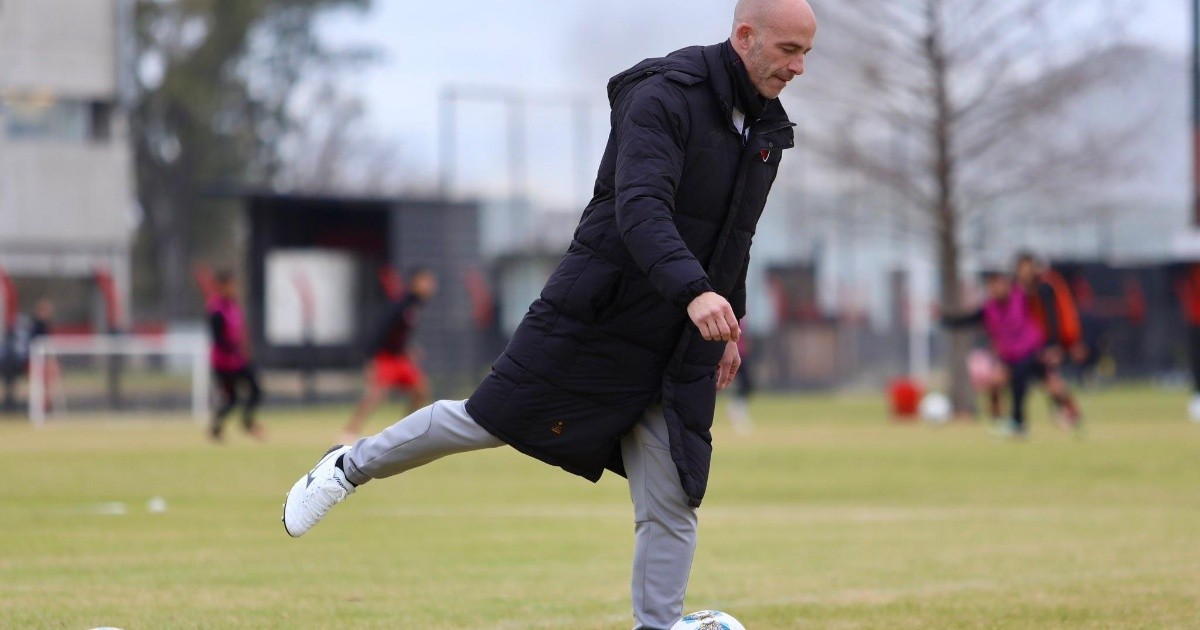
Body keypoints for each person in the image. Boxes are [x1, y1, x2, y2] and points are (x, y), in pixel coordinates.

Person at [282, 1, 816, 627]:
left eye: (806, 52)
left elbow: (734, 240)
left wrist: (730, 323)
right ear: (745, 36)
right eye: (788, 50)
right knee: (482, 421)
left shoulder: (765, 133)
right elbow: (640, 210)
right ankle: (348, 466)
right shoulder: (663, 98)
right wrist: (697, 292)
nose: (800, 67)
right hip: (598, 316)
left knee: (672, 495)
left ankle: (660, 625)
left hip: (678, 335)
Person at [943, 272, 1046, 438]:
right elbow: (967, 320)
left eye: (999, 284)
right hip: (1009, 356)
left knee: (1048, 386)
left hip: (1030, 352)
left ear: (1007, 285)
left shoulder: (1023, 298)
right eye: (992, 286)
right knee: (995, 385)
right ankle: (1001, 422)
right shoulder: (989, 308)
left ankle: (1067, 417)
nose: (996, 289)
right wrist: (945, 320)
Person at [340, 267, 437, 443]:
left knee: (421, 390)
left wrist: (408, 349)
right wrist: (371, 360)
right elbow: (382, 331)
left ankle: (407, 429)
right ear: (414, 283)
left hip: (399, 358)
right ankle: (350, 430)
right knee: (377, 394)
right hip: (385, 357)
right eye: (426, 282)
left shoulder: (414, 305)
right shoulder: (400, 304)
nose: (430, 286)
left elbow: (399, 334)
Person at [1013, 252, 1082, 429]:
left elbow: (1053, 319)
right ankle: (1066, 412)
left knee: (1051, 380)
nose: (1024, 273)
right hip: (1034, 343)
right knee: (1047, 380)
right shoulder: (1024, 290)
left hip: (1049, 342)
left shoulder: (1044, 287)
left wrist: (1054, 345)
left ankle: (1070, 412)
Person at [207, 270, 264, 442]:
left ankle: (247, 422)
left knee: (255, 389)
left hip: (238, 361)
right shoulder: (216, 310)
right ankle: (216, 428)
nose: (233, 288)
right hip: (223, 363)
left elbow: (240, 329)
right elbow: (218, 339)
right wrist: (235, 348)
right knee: (231, 399)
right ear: (221, 286)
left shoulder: (234, 306)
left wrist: (245, 348)